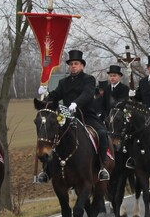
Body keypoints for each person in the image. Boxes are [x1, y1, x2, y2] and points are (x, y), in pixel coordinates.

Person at [37, 50, 110, 182]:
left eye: (76, 63)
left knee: (102, 133)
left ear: (82, 66)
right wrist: (45, 95)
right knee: (49, 135)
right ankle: (46, 170)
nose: (73, 66)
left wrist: (76, 103)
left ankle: (102, 166)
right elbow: (55, 96)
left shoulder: (89, 79)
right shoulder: (63, 82)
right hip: (66, 116)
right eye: (71, 64)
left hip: (86, 115)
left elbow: (87, 94)